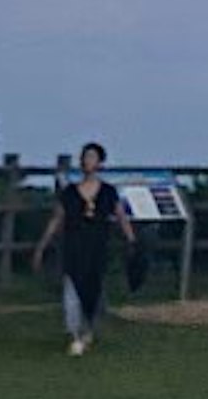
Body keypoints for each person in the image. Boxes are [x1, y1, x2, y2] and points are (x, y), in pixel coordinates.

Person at [43, 142, 137, 357]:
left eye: (93, 157)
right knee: (71, 291)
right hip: (74, 247)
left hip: (97, 248)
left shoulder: (108, 192)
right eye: (86, 157)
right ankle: (75, 333)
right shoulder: (69, 192)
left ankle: (88, 329)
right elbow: (57, 218)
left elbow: (120, 216)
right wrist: (44, 244)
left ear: (100, 162)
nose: (88, 161)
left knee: (93, 290)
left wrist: (131, 239)